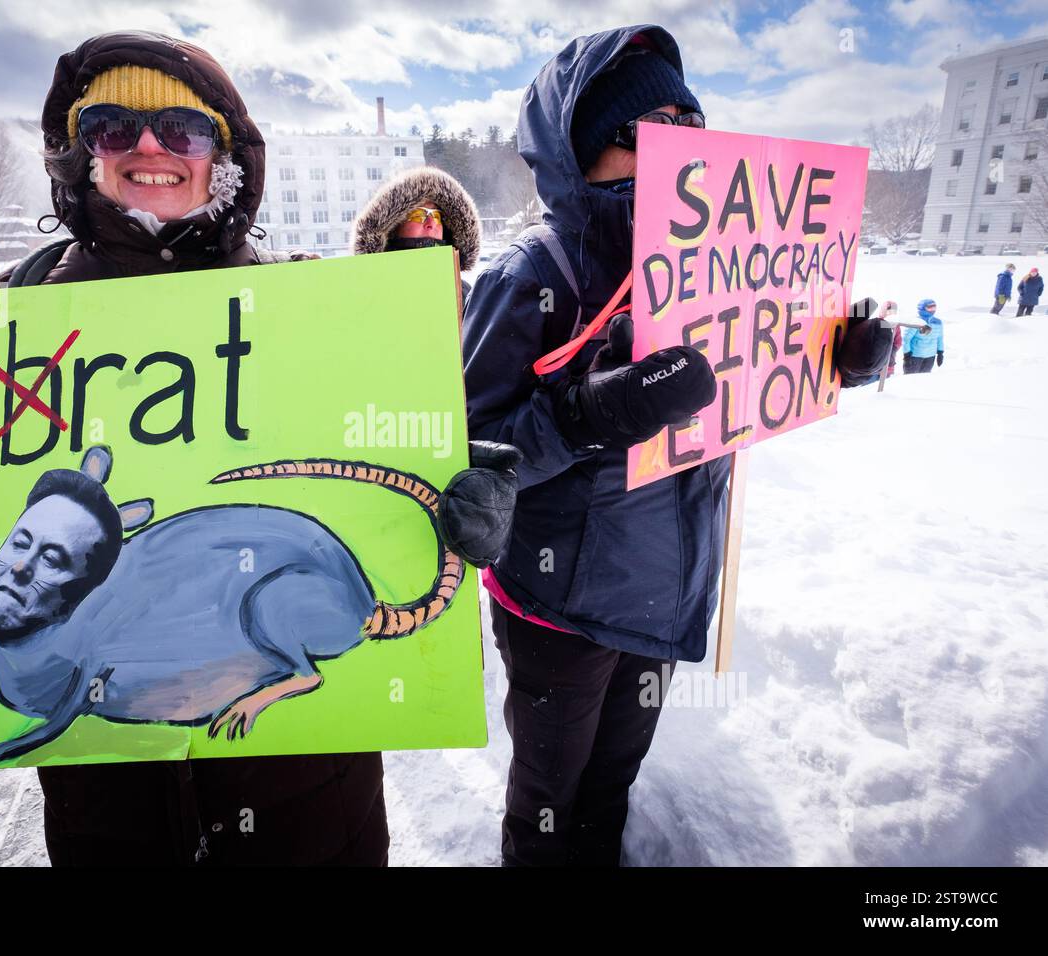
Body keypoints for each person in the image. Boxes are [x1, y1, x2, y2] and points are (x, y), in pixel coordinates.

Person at [0, 31, 516, 868]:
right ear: (82, 152)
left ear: (225, 156)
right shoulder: (10, 327)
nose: (150, 148)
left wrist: (462, 506)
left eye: (184, 129)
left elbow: (396, 483)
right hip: (113, 815)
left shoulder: (315, 314)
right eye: (113, 126)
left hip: (307, 801)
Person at [462, 24, 894, 866]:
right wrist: (590, 416)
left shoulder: (736, 257)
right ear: (579, 150)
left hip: (670, 581)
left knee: (615, 774)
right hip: (558, 608)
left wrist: (832, 358)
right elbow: (467, 460)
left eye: (687, 125)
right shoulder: (531, 275)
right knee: (549, 794)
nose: (671, 147)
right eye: (638, 132)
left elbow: (750, 373)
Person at [351, 165, 481, 298]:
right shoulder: (364, 291)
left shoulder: (463, 293)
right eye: (419, 215)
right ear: (393, 227)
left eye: (437, 217)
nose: (431, 224)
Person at [902, 299, 944, 374]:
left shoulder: (937, 322)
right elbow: (906, 339)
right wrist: (907, 354)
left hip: (930, 357)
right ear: (922, 308)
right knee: (909, 380)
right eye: (930, 307)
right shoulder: (916, 321)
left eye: (934, 307)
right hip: (915, 356)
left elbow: (940, 338)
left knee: (923, 380)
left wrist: (940, 353)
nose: (932, 310)